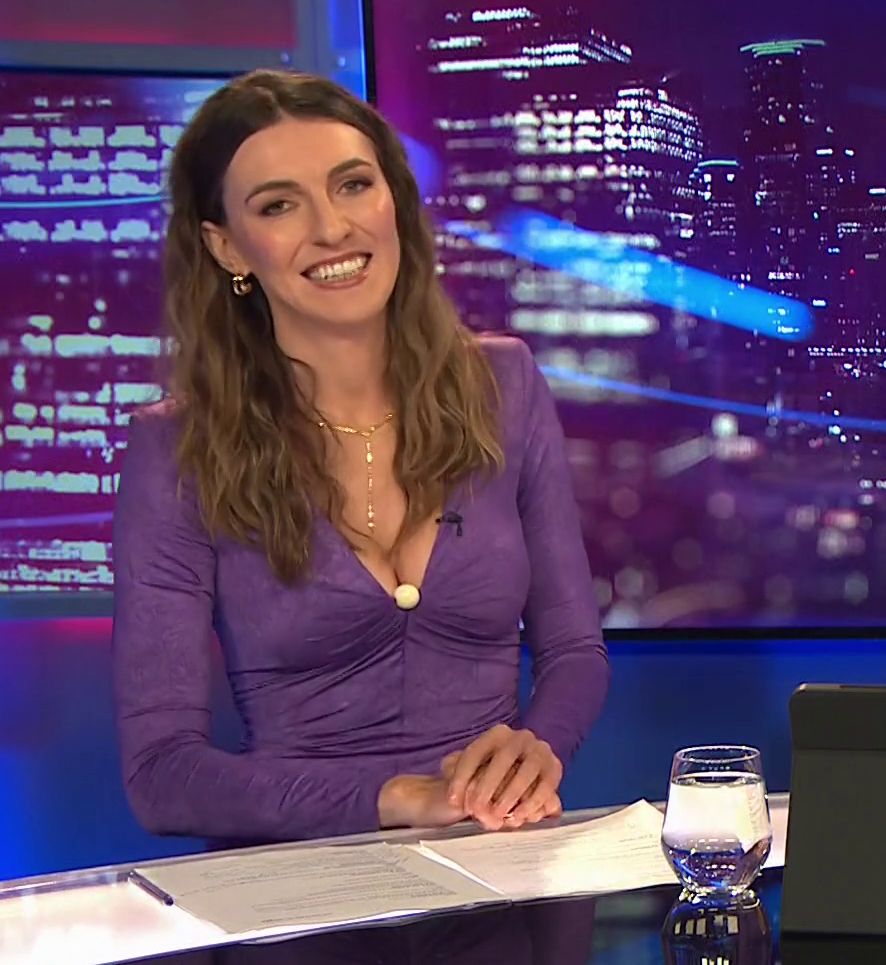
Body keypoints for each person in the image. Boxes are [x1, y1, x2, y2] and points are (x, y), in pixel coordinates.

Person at [112, 69, 609, 844]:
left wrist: (537, 746)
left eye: (352, 185)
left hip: (501, 859)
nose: (332, 228)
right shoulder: (176, 448)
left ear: (394, 202)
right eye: (278, 205)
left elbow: (574, 650)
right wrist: (396, 797)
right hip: (305, 882)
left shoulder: (503, 384)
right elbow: (162, 774)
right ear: (227, 246)